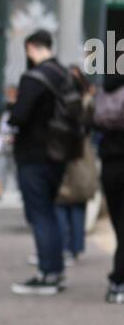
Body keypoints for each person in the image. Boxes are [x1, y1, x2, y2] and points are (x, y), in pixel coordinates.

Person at [9, 29, 82, 295]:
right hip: (59, 154)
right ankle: (55, 269)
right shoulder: (66, 75)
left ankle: (47, 273)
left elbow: (19, 116)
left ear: (31, 47)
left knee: (39, 214)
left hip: (33, 153)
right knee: (50, 212)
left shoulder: (33, 78)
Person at [54, 69, 97, 264]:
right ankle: (75, 247)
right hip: (83, 156)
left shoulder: (65, 102)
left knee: (62, 201)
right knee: (78, 202)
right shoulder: (88, 103)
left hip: (68, 154)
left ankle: (65, 247)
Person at [93, 71, 124, 303]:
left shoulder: (106, 90)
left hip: (111, 164)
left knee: (118, 224)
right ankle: (119, 280)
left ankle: (117, 281)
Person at [0, 85, 19, 199]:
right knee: (1, 169)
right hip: (4, 144)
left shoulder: (20, 109)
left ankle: (22, 192)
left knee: (16, 171)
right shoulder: (5, 115)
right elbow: (1, 131)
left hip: (16, 144)